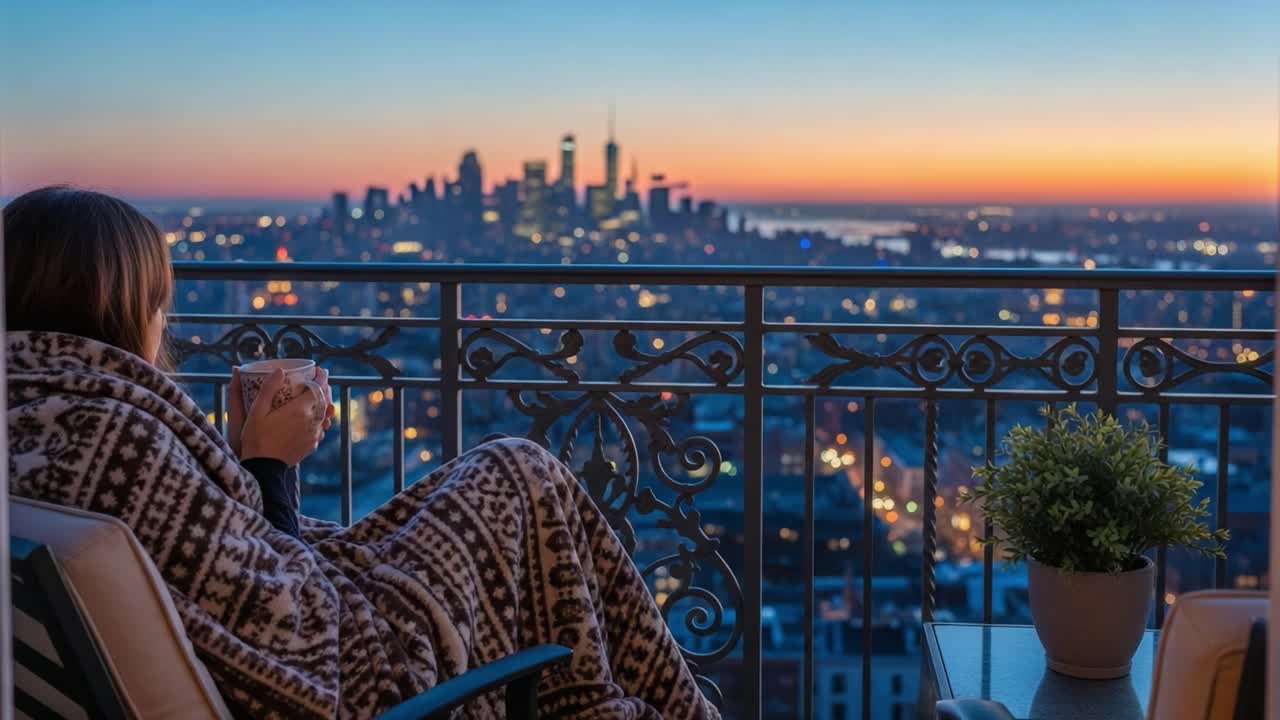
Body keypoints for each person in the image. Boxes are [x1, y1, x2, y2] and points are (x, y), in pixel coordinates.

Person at [4, 186, 717, 719]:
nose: (165, 324)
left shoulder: (40, 419)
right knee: (523, 474)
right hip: (366, 673)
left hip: (265, 650)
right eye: (159, 305)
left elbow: (216, 573)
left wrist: (237, 462)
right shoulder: (122, 443)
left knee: (511, 485)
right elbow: (302, 648)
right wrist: (268, 464)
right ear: (121, 307)